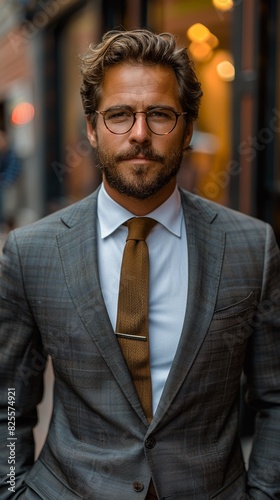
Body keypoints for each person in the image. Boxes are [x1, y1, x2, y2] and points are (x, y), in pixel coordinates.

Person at [0, 28, 280, 500]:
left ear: (188, 128)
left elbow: (275, 397)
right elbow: (8, 403)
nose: (140, 133)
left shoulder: (252, 247)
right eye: (119, 115)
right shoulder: (32, 253)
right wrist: (10, 489)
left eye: (161, 115)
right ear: (91, 128)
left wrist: (265, 493)